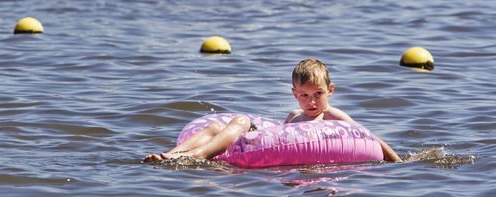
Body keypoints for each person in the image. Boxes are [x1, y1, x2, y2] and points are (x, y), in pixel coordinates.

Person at [142, 58, 401, 163]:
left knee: (241, 121)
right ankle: (173, 154)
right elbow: (276, 137)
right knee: (215, 127)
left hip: (271, 151)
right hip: (258, 144)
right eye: (304, 96)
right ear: (294, 94)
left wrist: (397, 162)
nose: (311, 102)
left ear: (330, 90)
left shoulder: (334, 116)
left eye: (318, 94)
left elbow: (367, 137)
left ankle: (195, 156)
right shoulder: (294, 115)